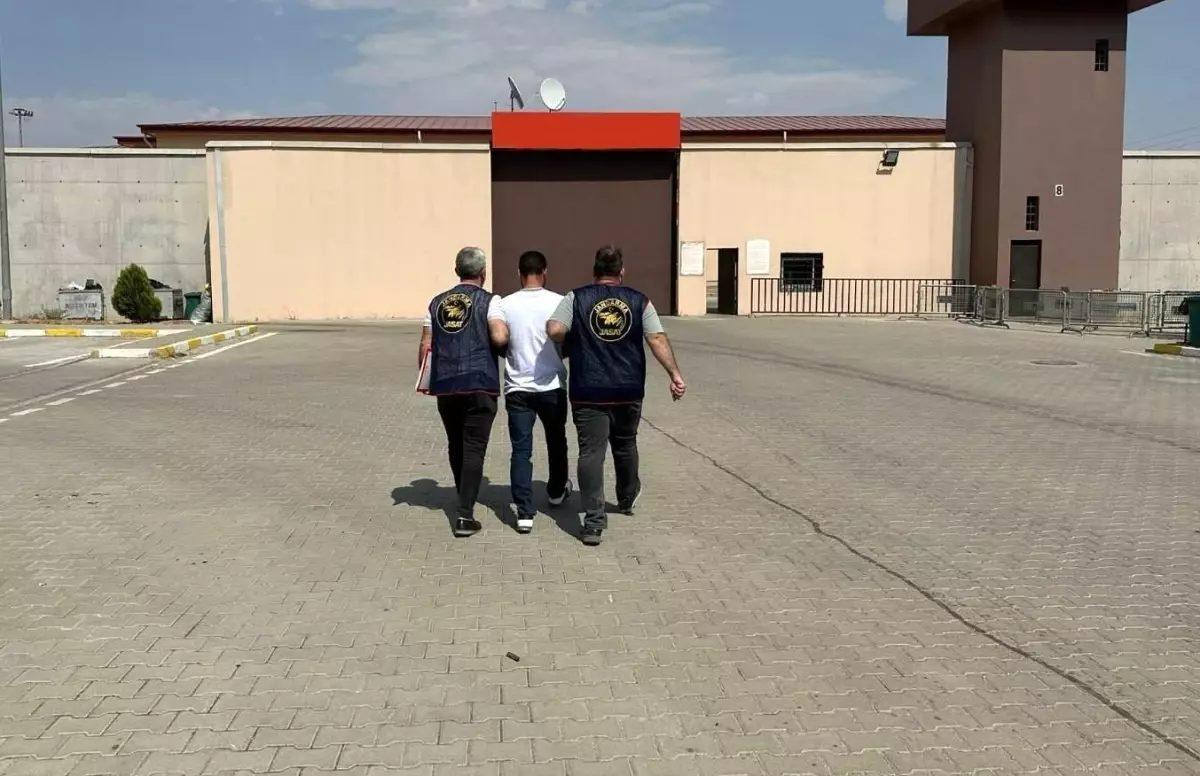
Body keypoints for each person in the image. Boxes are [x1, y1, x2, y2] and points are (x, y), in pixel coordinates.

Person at [546, 245, 686, 547]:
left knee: (591, 453)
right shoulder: (639, 300)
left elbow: (555, 329)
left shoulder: (576, 297)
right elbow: (656, 338)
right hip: (627, 388)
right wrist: (674, 374)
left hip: (588, 390)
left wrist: (574, 335)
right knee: (625, 444)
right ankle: (626, 497)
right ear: (621, 272)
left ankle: (593, 523)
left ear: (594, 272)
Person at [419, 246, 509, 538]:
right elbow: (499, 336)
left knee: (455, 444)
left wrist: (428, 379)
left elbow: (426, 345)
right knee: (474, 448)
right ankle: (464, 514)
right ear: (483, 273)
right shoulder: (491, 301)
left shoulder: (436, 302)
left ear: (457, 271)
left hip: (446, 385)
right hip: (479, 383)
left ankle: (463, 497)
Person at [500, 251, 573, 534]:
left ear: (519, 273)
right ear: (545, 271)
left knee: (521, 450)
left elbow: (500, 341)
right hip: (551, 386)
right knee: (556, 441)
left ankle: (523, 513)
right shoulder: (559, 302)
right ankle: (556, 492)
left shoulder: (505, 304)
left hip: (517, 388)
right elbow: (569, 341)